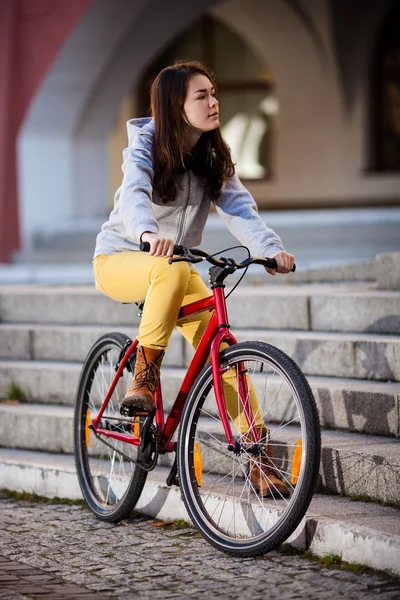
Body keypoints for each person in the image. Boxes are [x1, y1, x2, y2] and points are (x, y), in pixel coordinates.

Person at [93, 60, 295, 497]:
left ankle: (257, 456)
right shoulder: (146, 145)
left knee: (225, 356)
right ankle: (144, 374)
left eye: (214, 93)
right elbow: (133, 193)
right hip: (123, 257)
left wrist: (270, 250)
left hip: (175, 266)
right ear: (174, 105)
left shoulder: (211, 155)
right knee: (173, 268)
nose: (213, 101)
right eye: (201, 96)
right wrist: (147, 233)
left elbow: (239, 208)